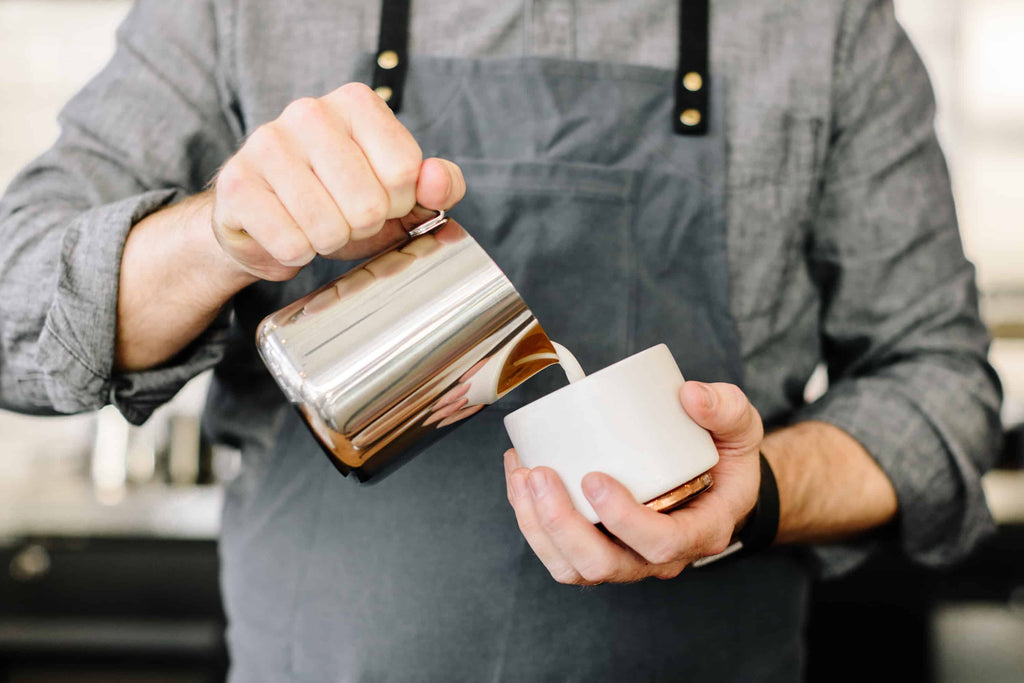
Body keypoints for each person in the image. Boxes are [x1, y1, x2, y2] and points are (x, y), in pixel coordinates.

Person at [0, 0, 1002, 680]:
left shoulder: (824, 24)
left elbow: (944, 391)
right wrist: (219, 230)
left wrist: (759, 492)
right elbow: (15, 325)